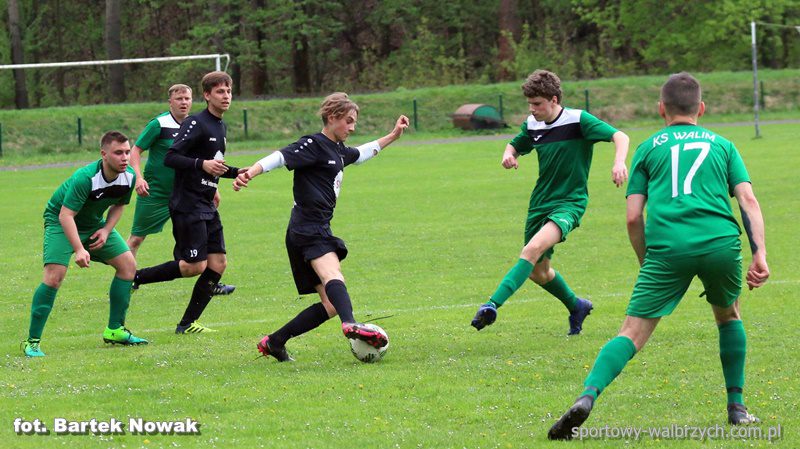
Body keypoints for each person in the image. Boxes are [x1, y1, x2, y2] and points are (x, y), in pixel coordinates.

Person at [548, 72, 769, 440]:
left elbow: (634, 216)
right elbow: (748, 200)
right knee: (728, 315)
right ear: (701, 108)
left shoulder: (648, 148)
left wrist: (646, 260)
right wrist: (759, 253)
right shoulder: (723, 145)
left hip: (667, 248)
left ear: (660, 109)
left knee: (631, 333)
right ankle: (737, 408)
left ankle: (587, 397)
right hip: (720, 244)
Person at [233, 92, 409, 362]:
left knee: (330, 304)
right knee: (332, 275)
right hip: (309, 228)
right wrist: (251, 172)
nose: (352, 128)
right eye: (348, 121)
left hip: (305, 230)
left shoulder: (337, 149)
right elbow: (280, 157)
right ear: (332, 117)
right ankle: (350, 324)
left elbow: (363, 153)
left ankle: (275, 342)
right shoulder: (313, 144)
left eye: (354, 123)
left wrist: (393, 136)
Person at [471, 69, 629, 335]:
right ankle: (576, 305)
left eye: (537, 104)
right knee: (539, 272)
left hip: (569, 203)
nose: (532, 110)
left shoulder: (578, 120)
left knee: (530, 252)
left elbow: (620, 136)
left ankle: (491, 304)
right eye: (530, 104)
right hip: (539, 204)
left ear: (554, 100)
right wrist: (508, 155)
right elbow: (514, 145)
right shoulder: (532, 125)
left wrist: (619, 162)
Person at [132, 71, 242, 334]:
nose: (225, 96)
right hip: (187, 203)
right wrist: (202, 164)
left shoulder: (220, 126)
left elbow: (213, 164)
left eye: (228, 91)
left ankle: (186, 324)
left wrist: (238, 172)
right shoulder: (195, 123)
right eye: (219, 92)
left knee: (218, 264)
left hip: (205, 202)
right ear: (206, 95)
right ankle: (135, 276)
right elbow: (171, 158)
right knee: (193, 266)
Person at [23, 131, 148, 357]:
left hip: (93, 223)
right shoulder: (85, 177)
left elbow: (119, 206)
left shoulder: (129, 176)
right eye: (118, 153)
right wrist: (79, 249)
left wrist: (106, 230)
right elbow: (65, 215)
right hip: (60, 222)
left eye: (128, 152)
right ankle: (32, 342)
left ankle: (115, 330)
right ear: (104, 154)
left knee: (128, 265)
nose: (125, 158)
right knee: (54, 277)